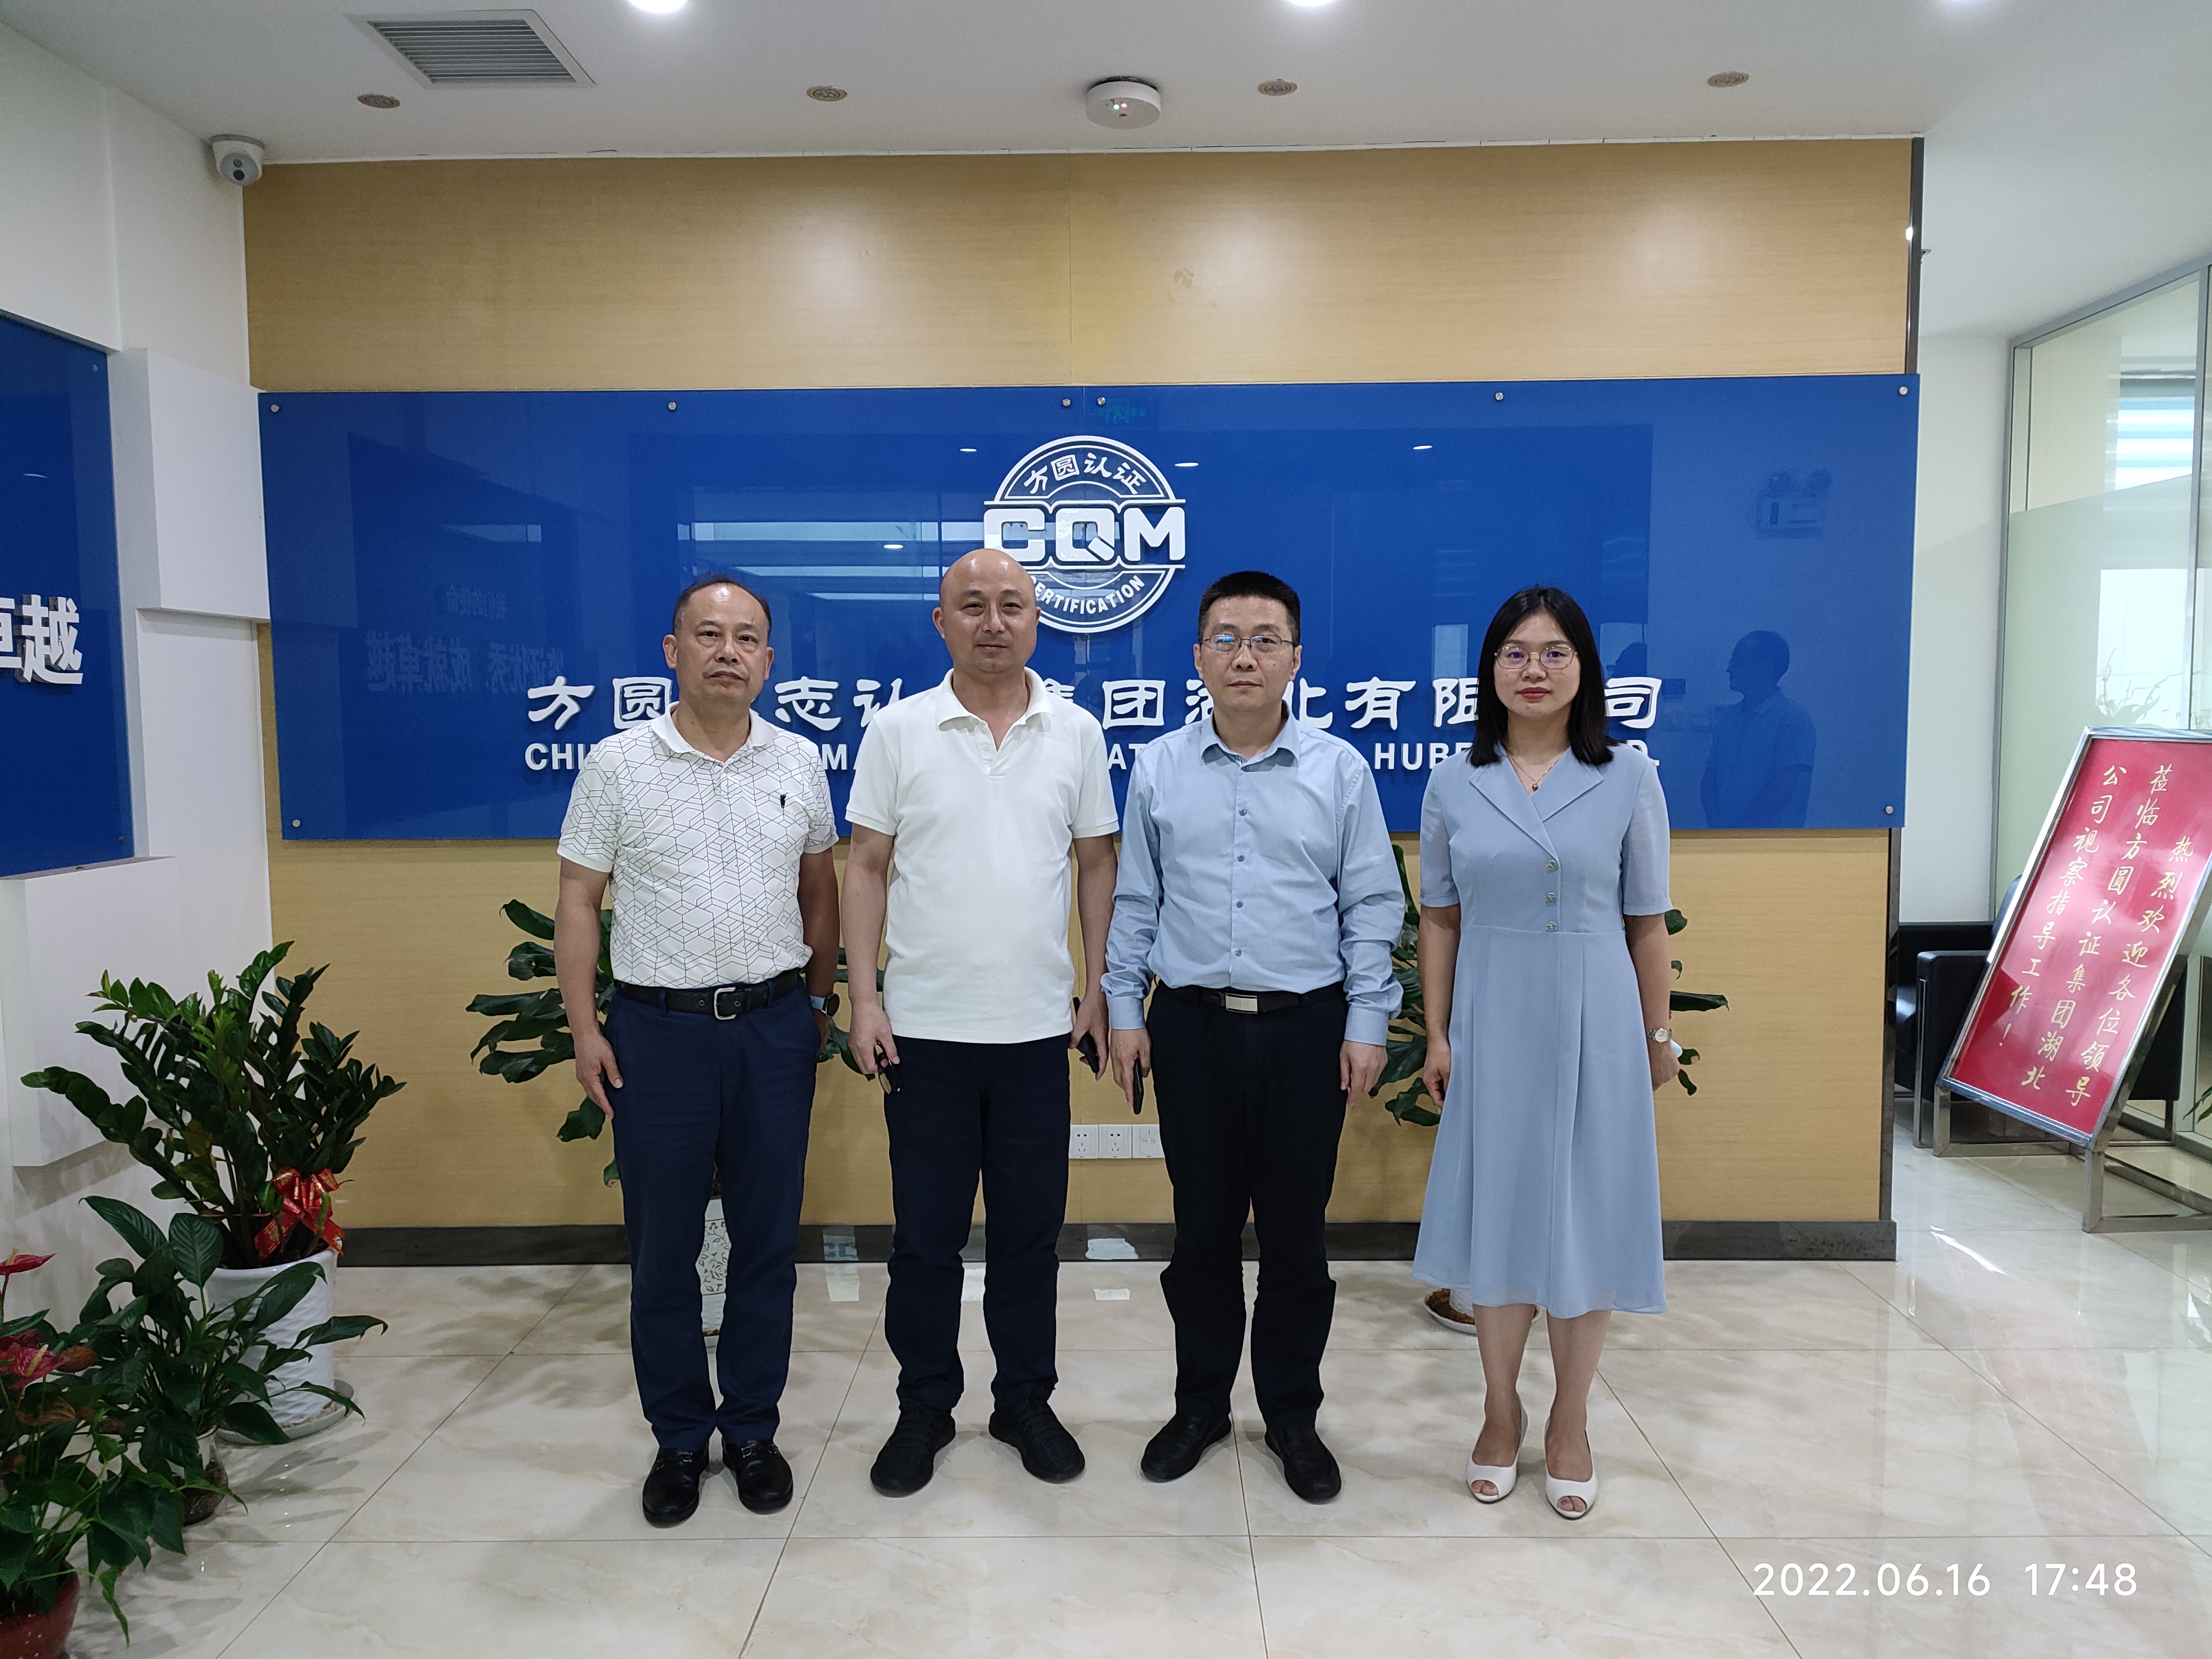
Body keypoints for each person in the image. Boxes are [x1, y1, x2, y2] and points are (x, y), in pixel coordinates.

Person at [1105, 571, 1400, 1504]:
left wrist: (1366, 1022)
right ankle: (1199, 1407)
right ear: (1198, 656)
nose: (1245, 655)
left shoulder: (1339, 771)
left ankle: (1291, 1417)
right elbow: (1137, 900)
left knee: (1296, 1239)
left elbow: (1371, 904)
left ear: (1296, 658)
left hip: (1306, 1031)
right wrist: (1124, 1011)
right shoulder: (1159, 767)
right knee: (1200, 1234)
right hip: (1189, 1028)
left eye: (1265, 639)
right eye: (1226, 638)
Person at [555, 576, 841, 1526]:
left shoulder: (798, 760)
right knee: (663, 1250)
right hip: (658, 1035)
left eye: (747, 638)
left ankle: (752, 1428)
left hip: (772, 1029)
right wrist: (585, 1029)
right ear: (672, 652)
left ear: (770, 660)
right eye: (709, 635)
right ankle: (680, 1437)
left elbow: (820, 893)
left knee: (766, 1243)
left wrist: (818, 1003)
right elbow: (578, 901)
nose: (729, 651)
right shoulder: (618, 764)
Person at [843, 547, 1118, 1497]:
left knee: (1030, 1237)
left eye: (1011, 605)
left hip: (1038, 1032)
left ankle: (1023, 1400)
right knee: (925, 1239)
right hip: (924, 1032)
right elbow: (866, 865)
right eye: (972, 606)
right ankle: (925, 1403)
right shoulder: (899, 730)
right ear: (941, 621)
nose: (993, 622)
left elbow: (1095, 864)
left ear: (1038, 620)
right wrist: (865, 997)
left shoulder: (1076, 732)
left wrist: (1098, 987)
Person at [1412, 583, 1676, 1521]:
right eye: (1516, 653)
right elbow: (1439, 918)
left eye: (1554, 653)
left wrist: (1656, 1034)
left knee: (1586, 1219)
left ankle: (1571, 1419)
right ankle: (1500, 1410)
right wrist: (1437, 1033)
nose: (1534, 669)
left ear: (1584, 670)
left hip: (1598, 1017)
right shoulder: (1455, 782)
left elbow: (1648, 922)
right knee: (1500, 1214)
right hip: (1493, 1016)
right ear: (1489, 671)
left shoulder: (1628, 776)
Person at [1701, 629, 1814, 827]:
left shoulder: (1793, 720)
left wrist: (1742, 833)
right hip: (1722, 838)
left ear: (1764, 668)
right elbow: (1710, 779)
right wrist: (1717, 827)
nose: (1729, 668)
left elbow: (1783, 788)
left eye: (1737, 660)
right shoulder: (1728, 719)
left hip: (1772, 841)